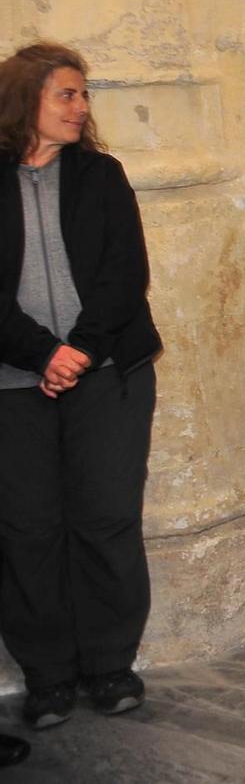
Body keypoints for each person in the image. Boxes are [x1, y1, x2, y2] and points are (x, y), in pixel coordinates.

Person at [0, 43, 161, 733]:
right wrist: (43, 353)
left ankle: (109, 662)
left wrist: (79, 350)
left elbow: (124, 275)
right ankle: (48, 674)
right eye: (67, 93)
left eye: (84, 94)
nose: (81, 106)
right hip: (12, 382)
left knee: (105, 519)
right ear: (24, 100)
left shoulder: (101, 174)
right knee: (28, 529)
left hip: (107, 374)